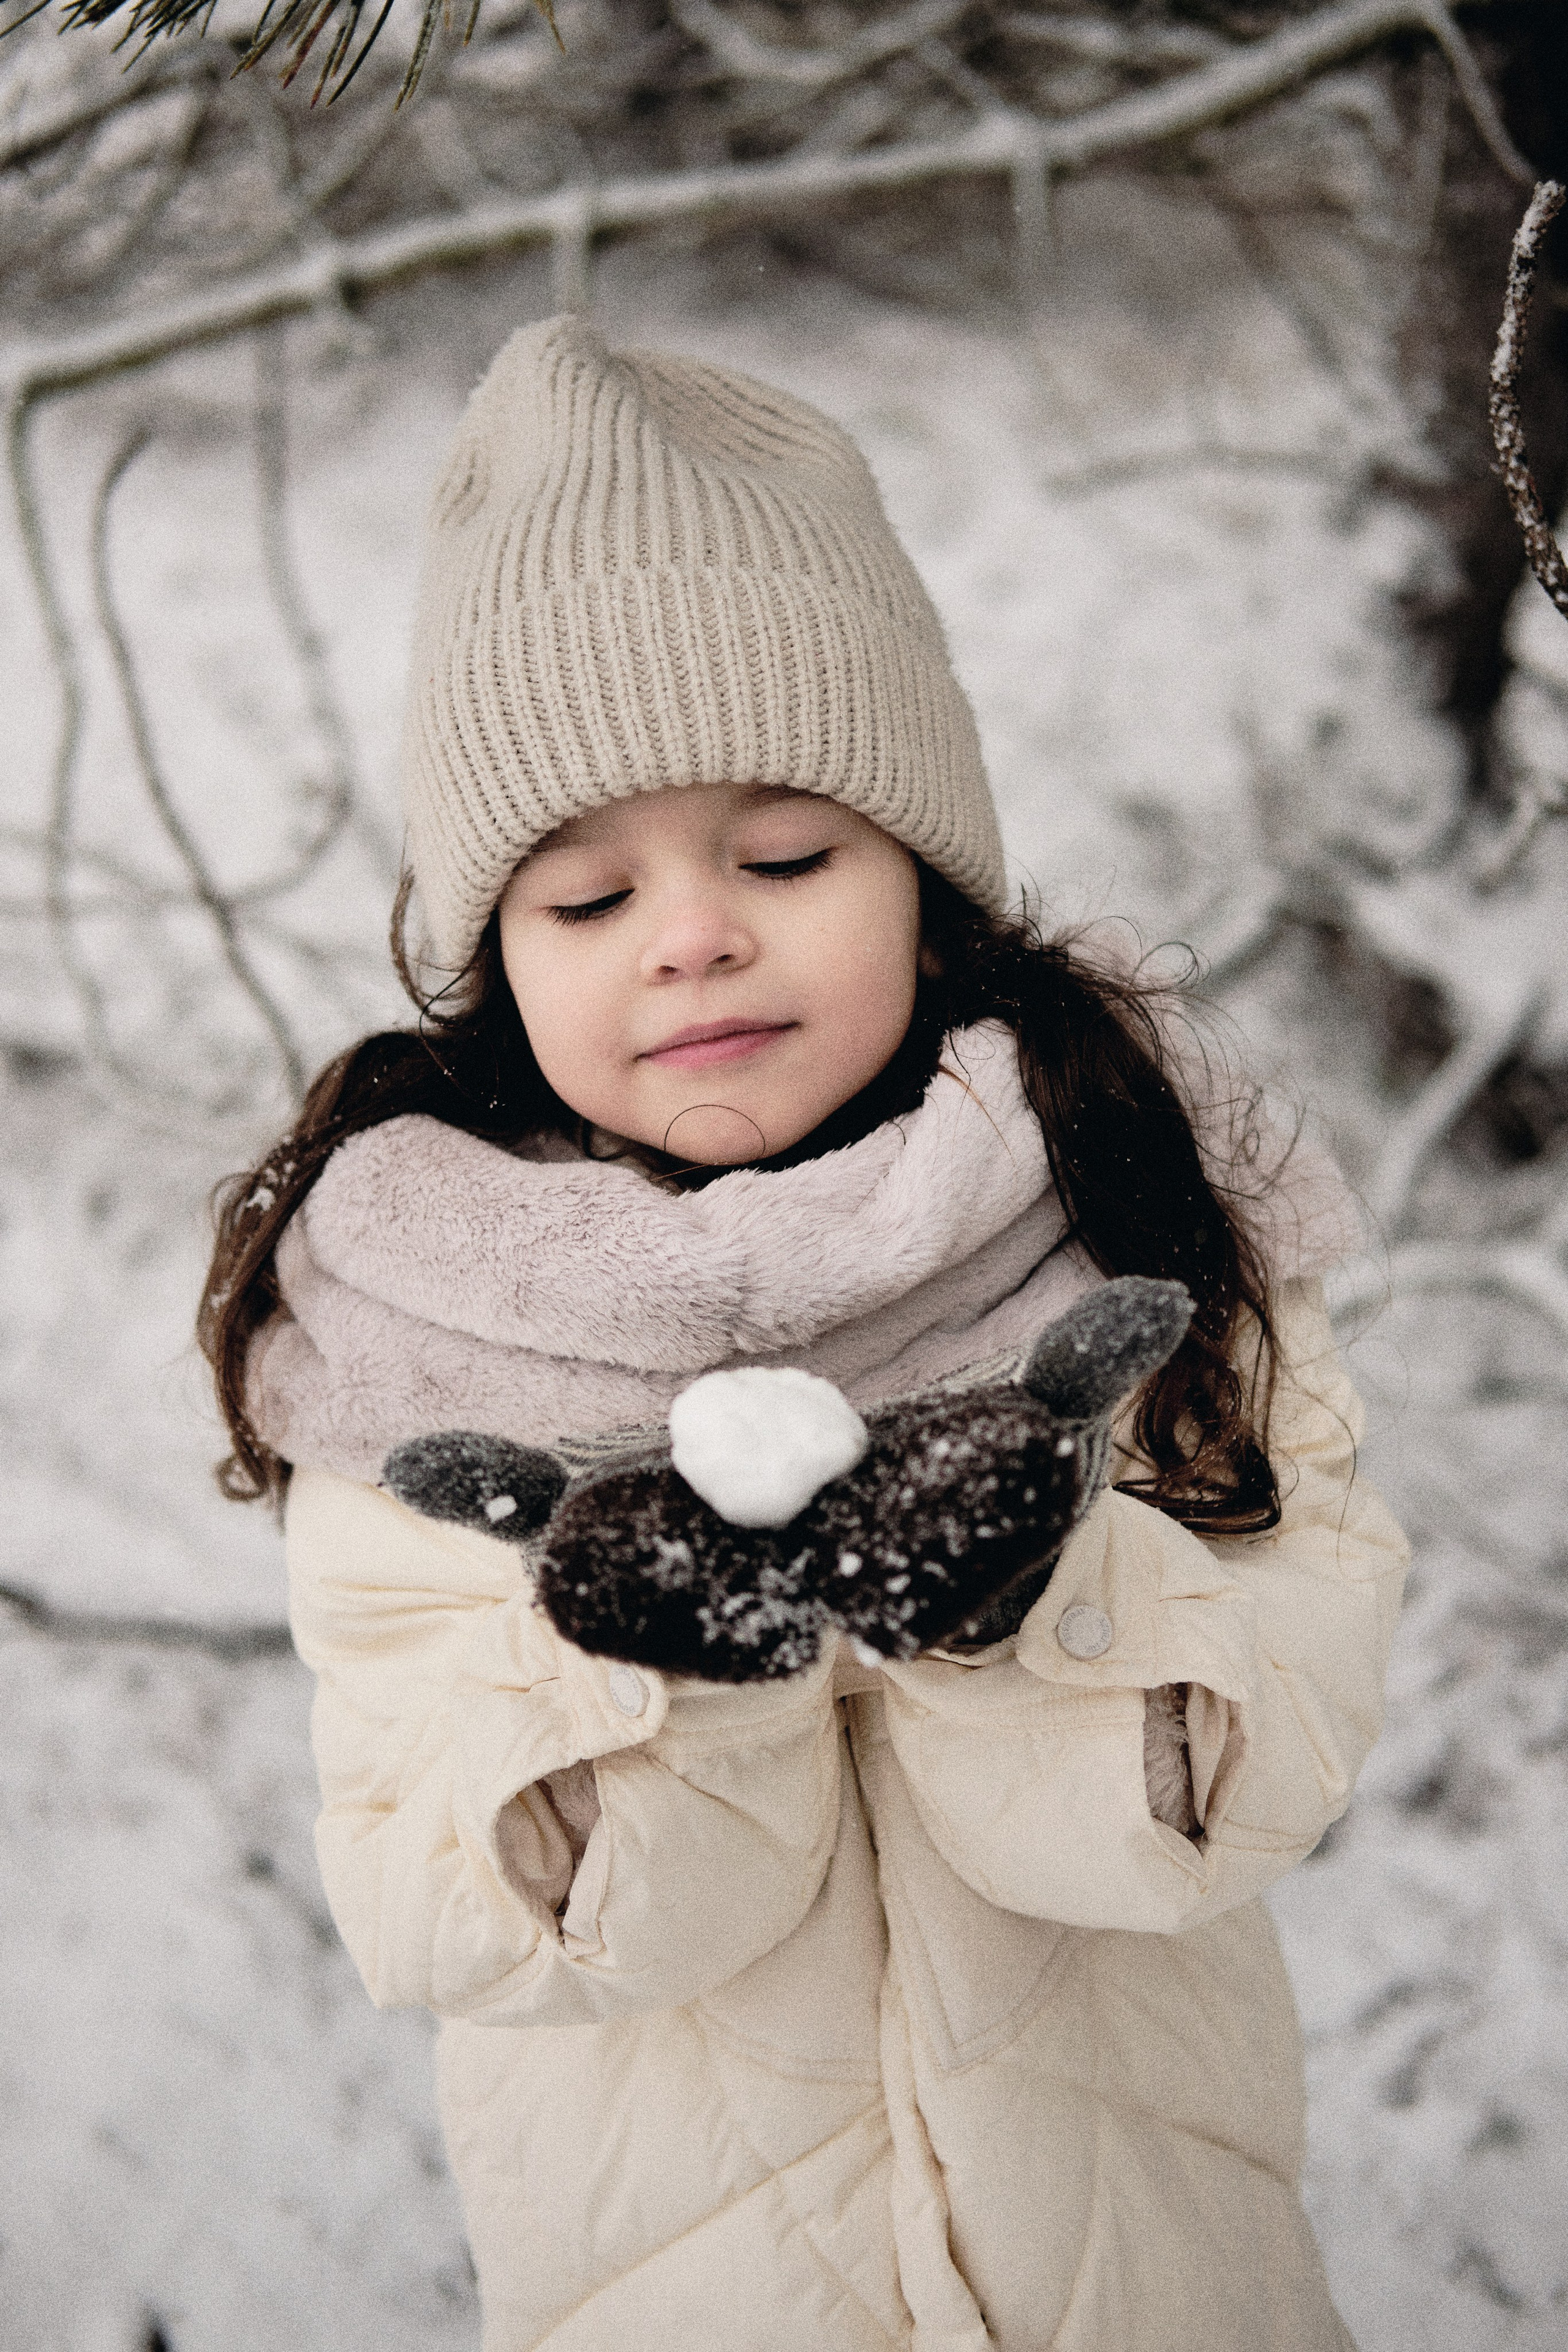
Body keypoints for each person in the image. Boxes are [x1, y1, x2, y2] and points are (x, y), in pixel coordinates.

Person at [198, 315, 1409, 2352]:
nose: (693, 933)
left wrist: (1025, 1604)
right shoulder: (411, 1352)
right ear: (490, 956)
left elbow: (1230, 1797)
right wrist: (676, 1677)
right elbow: (472, 1923)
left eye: (782, 853)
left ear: (931, 891)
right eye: (584, 898)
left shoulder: (1130, 1225)